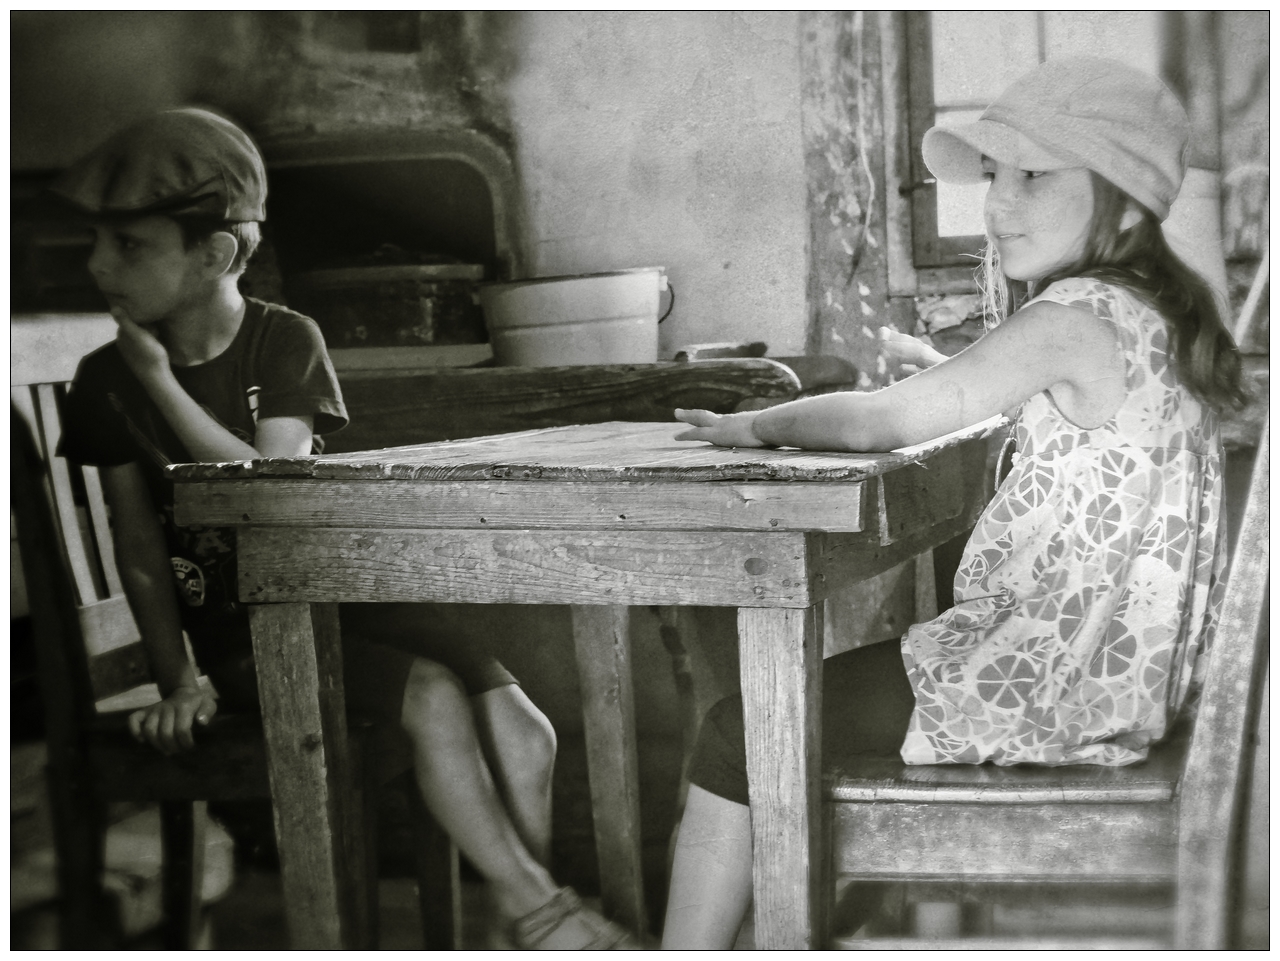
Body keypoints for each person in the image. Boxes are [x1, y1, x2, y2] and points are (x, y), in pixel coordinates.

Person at [661, 57, 1245, 948]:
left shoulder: (1071, 314)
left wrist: (756, 425)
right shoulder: (1154, 314)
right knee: (804, 708)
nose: (998, 205)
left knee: (739, 729)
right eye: (995, 178)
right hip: (1118, 682)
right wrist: (951, 374)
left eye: (1036, 177)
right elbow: (1074, 413)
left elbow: (874, 424)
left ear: (1125, 203)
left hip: (1045, 685)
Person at [54, 107, 639, 950]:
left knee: (525, 730)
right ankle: (544, 916)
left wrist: (164, 386)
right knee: (434, 699)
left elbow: (269, 484)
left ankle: (511, 919)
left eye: (129, 245)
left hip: (341, 601)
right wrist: (177, 677)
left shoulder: (286, 340)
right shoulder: (106, 379)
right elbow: (138, 549)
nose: (99, 265)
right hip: (245, 633)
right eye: (97, 242)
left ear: (215, 254)